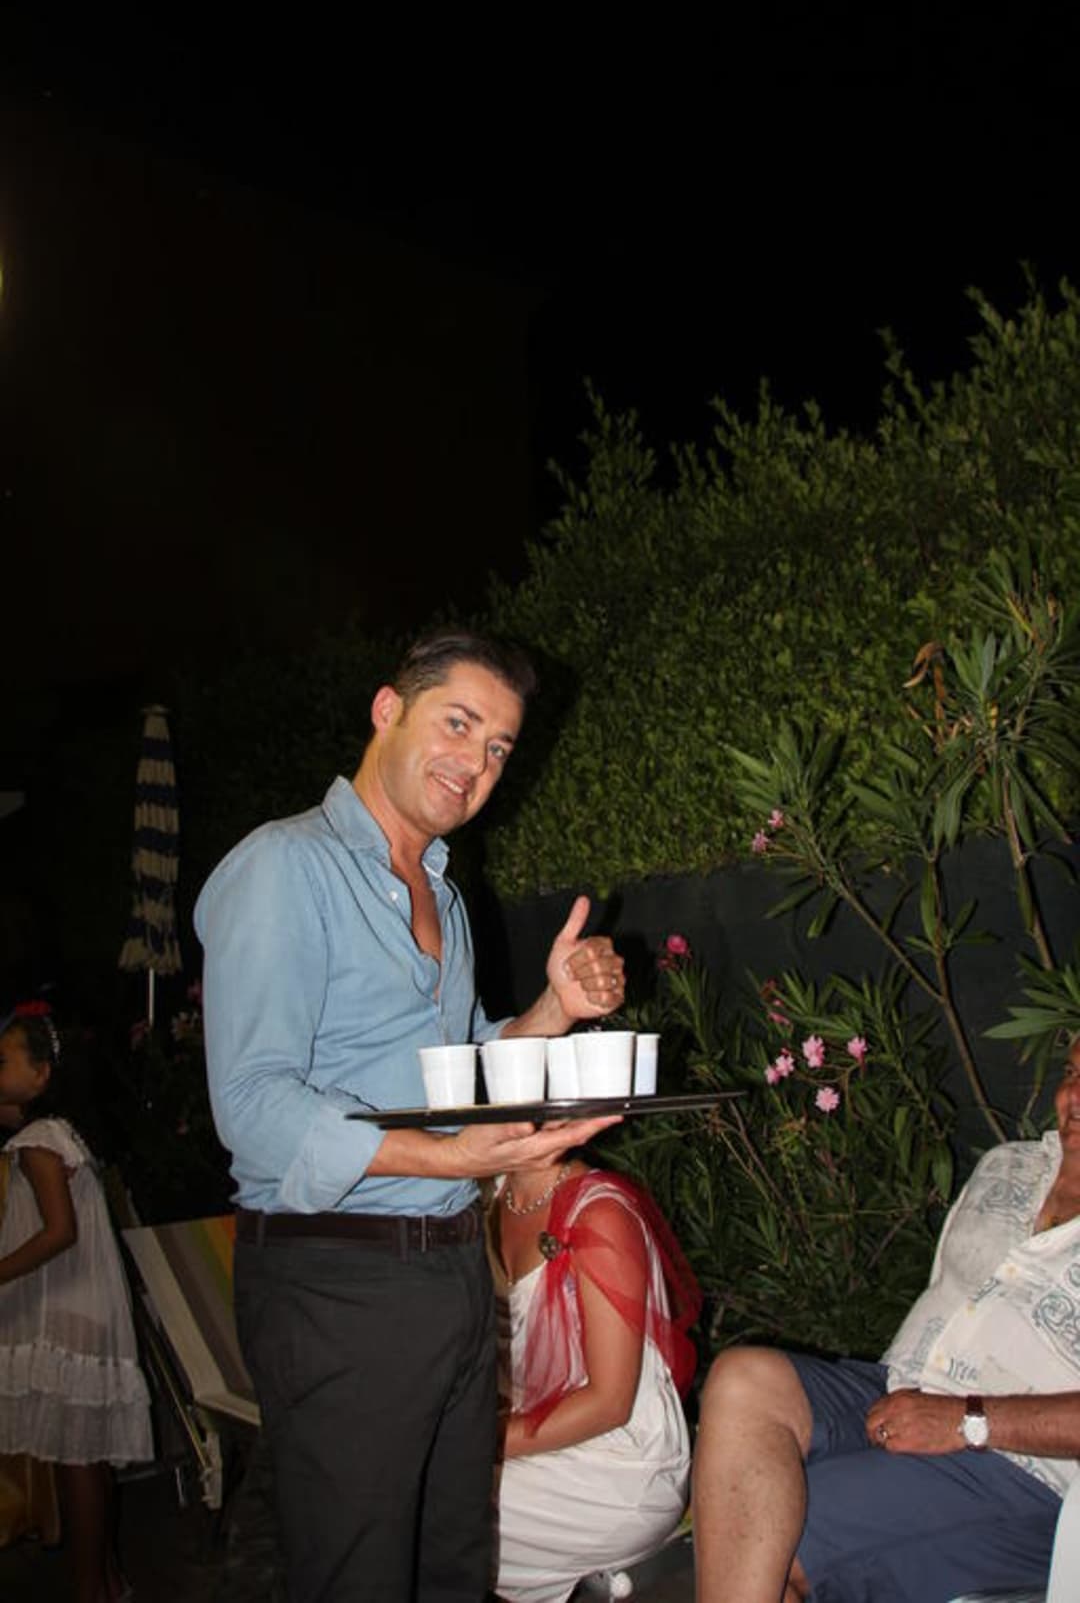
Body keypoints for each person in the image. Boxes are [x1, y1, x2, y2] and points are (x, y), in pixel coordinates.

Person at [195, 628, 628, 1603]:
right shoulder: (284, 867)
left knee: (451, 1571)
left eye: (499, 748)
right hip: (336, 1278)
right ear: (388, 710)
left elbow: (460, 1075)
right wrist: (453, 1161)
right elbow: (252, 1105)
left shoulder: (442, 895)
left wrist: (554, 1008)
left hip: (448, 1278)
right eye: (458, 724)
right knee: (360, 1578)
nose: (475, 763)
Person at [691, 1034, 1080, 1603]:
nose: (1075, 1095)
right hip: (896, 1390)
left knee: (768, 1540)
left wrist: (964, 1420)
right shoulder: (1009, 1165)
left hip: (1022, 1470)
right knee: (743, 1378)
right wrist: (924, 1406)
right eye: (1071, 1072)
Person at [489, 1157, 701, 1602]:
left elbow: (609, 1405)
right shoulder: (490, 1192)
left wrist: (471, 1440)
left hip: (618, 1467)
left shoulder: (601, 1213)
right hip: (529, 1435)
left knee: (421, 1502)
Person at [0, 1004, 153, 1603]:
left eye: (3, 1060)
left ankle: (90, 1587)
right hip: (84, 1305)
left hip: (65, 1309)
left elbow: (59, 1231)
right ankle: (106, 1582)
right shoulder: (61, 1133)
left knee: (77, 1459)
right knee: (87, 1458)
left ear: (42, 1075)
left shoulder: (40, 1141)